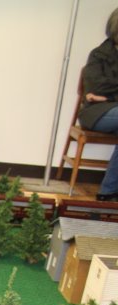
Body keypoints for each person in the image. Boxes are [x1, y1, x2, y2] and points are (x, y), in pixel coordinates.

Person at [81, 8, 118, 201]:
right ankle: (109, 190)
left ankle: (107, 193)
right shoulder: (98, 55)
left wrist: (108, 96)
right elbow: (96, 87)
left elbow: (102, 91)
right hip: (97, 113)